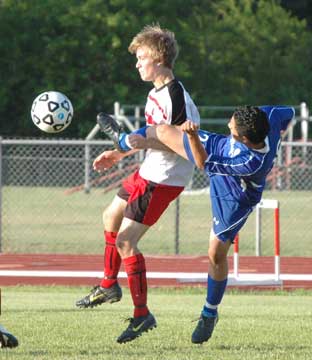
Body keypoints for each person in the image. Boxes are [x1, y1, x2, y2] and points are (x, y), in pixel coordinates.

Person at [97, 105, 295, 344]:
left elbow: (201, 162)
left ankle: (209, 312)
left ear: (243, 139)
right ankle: (123, 143)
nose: (229, 124)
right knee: (163, 131)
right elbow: (289, 113)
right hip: (219, 148)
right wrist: (280, 133)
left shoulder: (251, 161)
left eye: (231, 127)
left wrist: (191, 136)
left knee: (216, 254)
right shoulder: (268, 117)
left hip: (233, 195)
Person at [75, 24, 200, 344]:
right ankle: (108, 284)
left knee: (126, 242)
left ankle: (142, 315)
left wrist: (131, 142)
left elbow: (178, 145)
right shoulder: (154, 92)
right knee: (110, 216)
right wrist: (119, 152)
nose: (137, 63)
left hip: (164, 178)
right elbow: (148, 138)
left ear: (159, 58)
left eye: (141, 57)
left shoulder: (176, 98)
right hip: (150, 170)